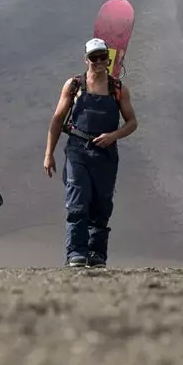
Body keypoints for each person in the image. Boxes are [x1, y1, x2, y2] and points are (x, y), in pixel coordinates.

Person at [44, 37, 138, 267]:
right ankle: (76, 252)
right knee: (77, 200)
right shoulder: (74, 85)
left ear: (108, 59)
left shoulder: (118, 89)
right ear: (86, 60)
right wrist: (49, 153)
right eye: (93, 58)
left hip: (106, 153)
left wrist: (113, 136)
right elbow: (57, 120)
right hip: (78, 149)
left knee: (102, 203)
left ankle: (97, 255)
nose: (98, 62)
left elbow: (132, 122)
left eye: (102, 58)